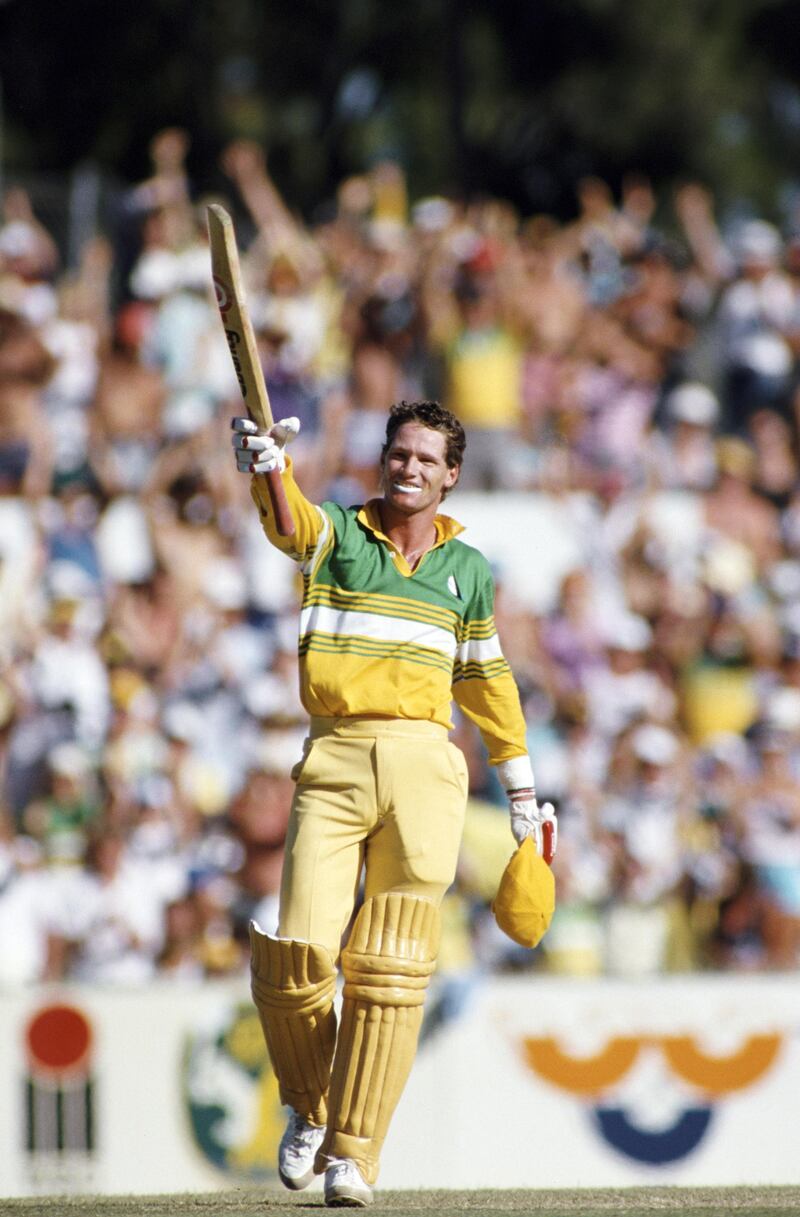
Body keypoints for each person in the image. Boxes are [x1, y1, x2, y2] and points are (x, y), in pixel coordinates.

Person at [230, 399, 556, 1206]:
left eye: (425, 459)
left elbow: (486, 680)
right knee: (297, 955)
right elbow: (289, 524)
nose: (407, 467)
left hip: (426, 764)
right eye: (398, 453)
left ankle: (354, 1153)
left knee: (393, 967)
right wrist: (269, 467)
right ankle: (312, 1104)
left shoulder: (468, 570)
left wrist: (520, 787)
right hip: (336, 753)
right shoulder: (339, 532)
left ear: (451, 475)